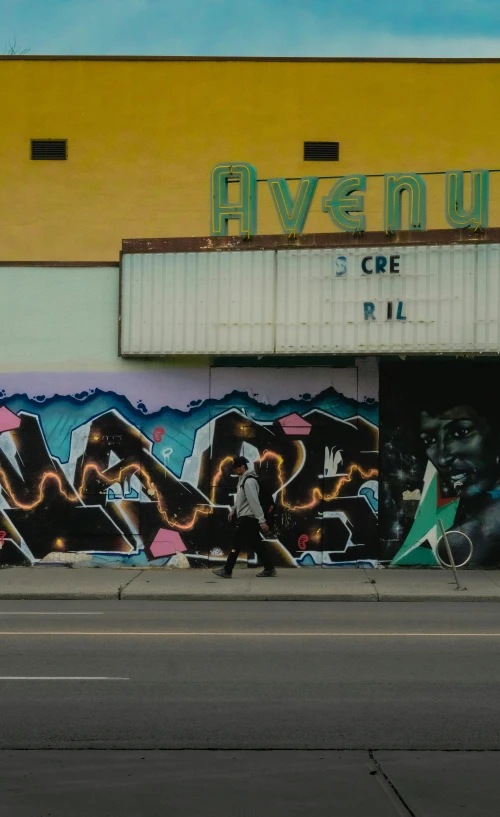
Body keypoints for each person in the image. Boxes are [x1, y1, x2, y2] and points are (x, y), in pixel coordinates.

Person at [213, 455, 277, 578]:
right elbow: (241, 500)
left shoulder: (249, 481)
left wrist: (261, 520)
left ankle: (227, 570)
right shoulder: (243, 480)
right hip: (248, 517)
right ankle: (269, 568)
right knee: (257, 544)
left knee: (236, 543)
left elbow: (254, 502)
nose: (234, 471)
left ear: (242, 467)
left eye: (236, 468)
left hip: (248, 518)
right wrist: (234, 510)